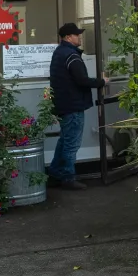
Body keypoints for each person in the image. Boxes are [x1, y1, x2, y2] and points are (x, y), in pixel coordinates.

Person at [47, 23, 108, 190]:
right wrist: (102, 82)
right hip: (72, 106)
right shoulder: (71, 56)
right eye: (76, 35)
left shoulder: (59, 53)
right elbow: (82, 80)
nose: (80, 37)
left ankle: (55, 172)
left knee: (64, 141)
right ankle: (68, 177)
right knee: (71, 143)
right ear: (68, 37)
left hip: (63, 105)